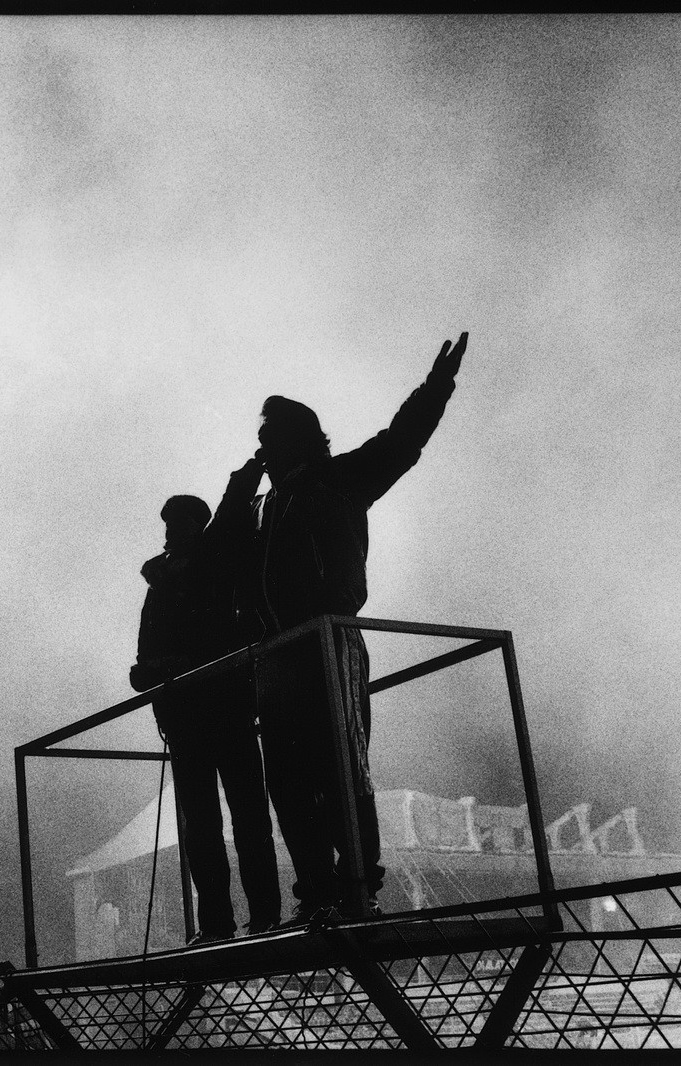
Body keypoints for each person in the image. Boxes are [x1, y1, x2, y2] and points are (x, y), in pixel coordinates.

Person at [225, 332, 469, 926]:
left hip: (329, 646)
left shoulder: (337, 481)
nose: (260, 447)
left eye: (268, 437)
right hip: (277, 658)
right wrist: (238, 494)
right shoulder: (262, 508)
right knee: (286, 779)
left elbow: (400, 443)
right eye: (259, 438)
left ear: (297, 439)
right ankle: (317, 893)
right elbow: (226, 572)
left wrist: (435, 388)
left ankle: (359, 885)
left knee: (340, 766)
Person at [130, 494, 281, 942]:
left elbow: (161, 657)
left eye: (178, 522)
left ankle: (240, 920)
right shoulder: (185, 582)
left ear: (197, 526)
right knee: (226, 821)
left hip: (208, 712)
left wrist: (160, 670)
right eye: (170, 523)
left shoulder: (200, 578)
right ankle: (249, 918)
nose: (170, 530)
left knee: (227, 821)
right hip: (214, 712)